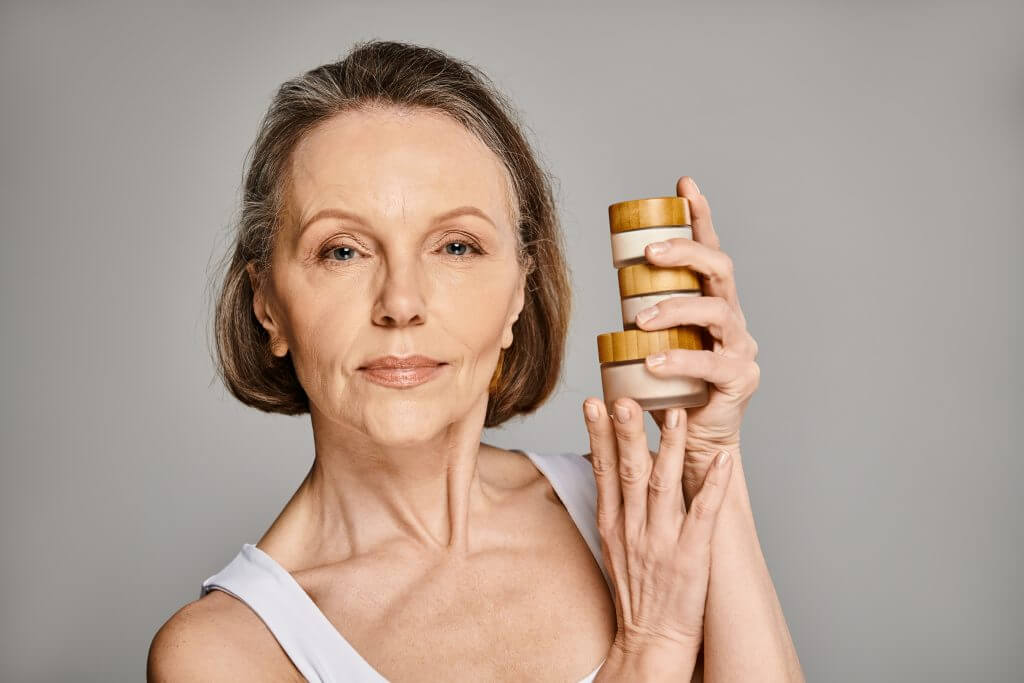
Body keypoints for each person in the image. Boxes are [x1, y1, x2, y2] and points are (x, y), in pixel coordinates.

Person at [147, 39, 802, 682]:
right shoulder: (225, 652)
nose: (401, 302)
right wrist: (649, 651)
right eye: (343, 250)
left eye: (456, 246)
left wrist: (710, 460)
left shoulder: (640, 515)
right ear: (268, 303)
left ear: (521, 287)